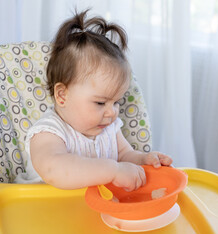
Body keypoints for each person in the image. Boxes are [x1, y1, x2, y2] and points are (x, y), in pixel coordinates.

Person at [16, 10, 173, 191]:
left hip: (92, 209)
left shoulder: (109, 128)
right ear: (61, 95)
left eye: (116, 102)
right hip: (40, 209)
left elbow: (124, 154)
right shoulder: (48, 133)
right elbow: (54, 169)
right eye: (100, 103)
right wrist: (113, 170)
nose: (112, 112)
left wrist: (143, 160)